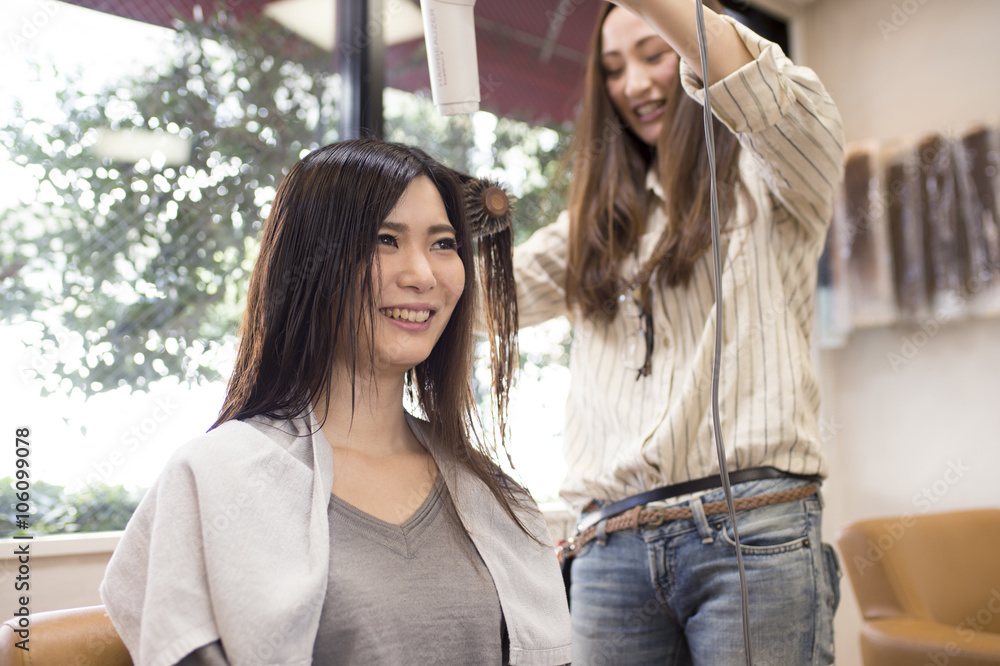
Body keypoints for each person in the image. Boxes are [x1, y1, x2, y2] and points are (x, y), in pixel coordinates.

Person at [100, 139, 572, 666]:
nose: (421, 274)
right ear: (307, 264)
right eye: (384, 239)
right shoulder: (214, 476)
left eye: (443, 244)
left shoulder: (499, 499)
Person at [512, 1, 845, 663]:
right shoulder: (595, 231)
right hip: (609, 549)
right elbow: (473, 295)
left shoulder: (769, 179)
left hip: (754, 535)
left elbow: (766, 96)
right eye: (613, 68)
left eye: (653, 52)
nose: (633, 83)